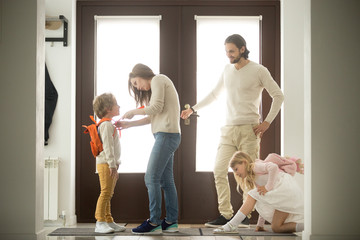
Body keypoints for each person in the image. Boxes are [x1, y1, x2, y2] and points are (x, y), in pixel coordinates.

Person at [181, 34, 284, 227]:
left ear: (242, 49)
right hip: (228, 129)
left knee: (249, 173)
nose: (228, 55)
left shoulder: (259, 70)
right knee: (219, 169)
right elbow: (214, 94)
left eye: (231, 51)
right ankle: (226, 214)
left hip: (249, 129)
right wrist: (193, 109)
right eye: (226, 51)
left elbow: (278, 95)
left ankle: (245, 215)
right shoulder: (227, 70)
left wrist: (267, 122)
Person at [116, 63, 181, 235]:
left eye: (136, 83)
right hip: (167, 135)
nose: (138, 88)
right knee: (166, 182)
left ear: (141, 74)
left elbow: (155, 108)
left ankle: (154, 222)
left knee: (151, 177)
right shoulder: (158, 85)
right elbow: (152, 117)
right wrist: (129, 125)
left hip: (166, 135)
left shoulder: (159, 79)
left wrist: (133, 111)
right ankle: (171, 222)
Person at [214, 151, 304, 233]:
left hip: (284, 190)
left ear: (244, 162)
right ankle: (307, 227)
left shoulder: (255, 166)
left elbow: (273, 167)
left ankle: (231, 225)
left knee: (252, 194)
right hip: (284, 194)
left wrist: (268, 187)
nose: (236, 173)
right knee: (276, 227)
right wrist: (260, 224)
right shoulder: (255, 178)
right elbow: (263, 199)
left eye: (236, 169)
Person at [93, 93, 125, 233]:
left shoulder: (108, 124)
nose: (119, 106)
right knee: (105, 192)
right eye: (116, 103)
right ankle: (100, 222)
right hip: (107, 164)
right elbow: (108, 147)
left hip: (110, 164)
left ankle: (109, 221)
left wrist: (114, 164)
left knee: (109, 193)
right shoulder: (106, 125)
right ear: (107, 108)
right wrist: (112, 165)